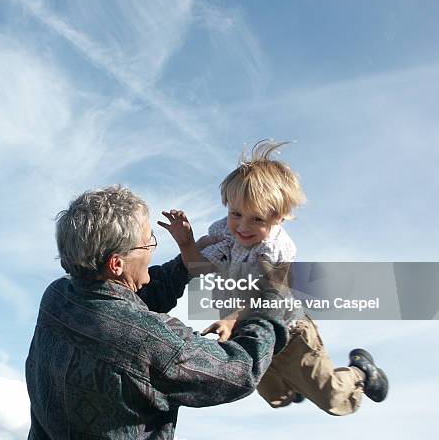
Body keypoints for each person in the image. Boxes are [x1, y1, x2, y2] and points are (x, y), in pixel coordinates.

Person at [25, 185, 294, 439]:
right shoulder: (151, 341)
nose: (153, 248)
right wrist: (272, 299)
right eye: (147, 242)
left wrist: (185, 263)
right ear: (116, 264)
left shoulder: (57, 298)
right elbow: (240, 370)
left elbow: (125, 305)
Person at [200, 140, 389, 416]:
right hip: (248, 332)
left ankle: (361, 371)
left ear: (277, 218)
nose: (242, 226)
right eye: (236, 213)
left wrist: (231, 318)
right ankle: (295, 387)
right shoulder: (225, 232)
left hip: (290, 333)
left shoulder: (276, 250)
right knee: (274, 396)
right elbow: (203, 262)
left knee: (332, 397)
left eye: (256, 219)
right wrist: (185, 244)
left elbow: (265, 295)